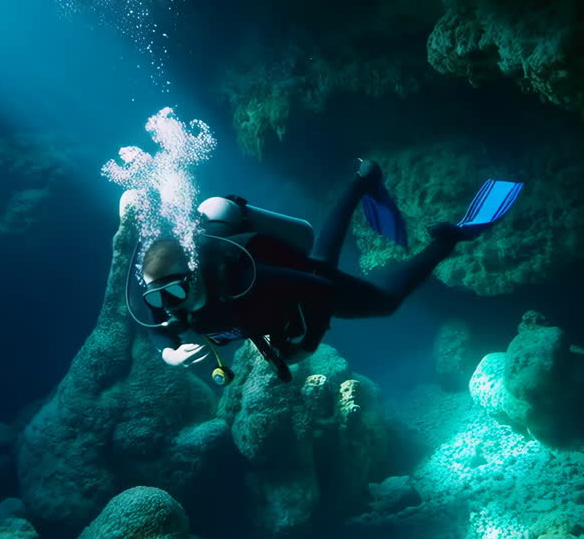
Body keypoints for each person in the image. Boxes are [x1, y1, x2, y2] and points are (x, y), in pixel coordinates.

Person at [129, 159, 518, 383]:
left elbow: (315, 288)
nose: (170, 308)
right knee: (322, 255)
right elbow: (156, 332)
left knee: (383, 302)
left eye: (174, 294)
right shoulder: (163, 298)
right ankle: (364, 178)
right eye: (157, 298)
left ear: (194, 276)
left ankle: (448, 238)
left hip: (294, 282)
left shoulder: (245, 278)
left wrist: (307, 343)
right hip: (285, 293)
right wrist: (169, 356)